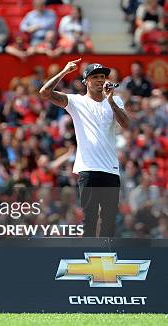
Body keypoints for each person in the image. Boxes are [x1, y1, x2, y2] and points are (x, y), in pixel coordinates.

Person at [39, 59, 130, 237]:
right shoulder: (76, 101)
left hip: (111, 169)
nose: (100, 80)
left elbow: (126, 124)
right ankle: (87, 259)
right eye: (95, 77)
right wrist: (64, 71)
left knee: (109, 219)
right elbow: (45, 92)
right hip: (88, 169)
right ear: (85, 81)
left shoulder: (115, 100)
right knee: (89, 219)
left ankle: (106, 258)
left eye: (102, 77)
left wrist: (110, 101)